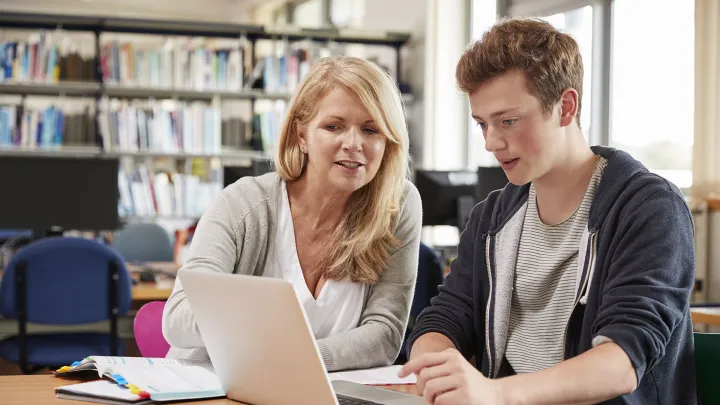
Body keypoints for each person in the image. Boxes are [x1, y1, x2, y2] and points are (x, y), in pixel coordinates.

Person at [399, 17, 697, 405]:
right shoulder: (492, 217)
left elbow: (621, 361)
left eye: (508, 120)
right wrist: (437, 366)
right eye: (482, 124)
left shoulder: (650, 210)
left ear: (566, 106)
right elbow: (444, 318)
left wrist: (494, 394)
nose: (491, 142)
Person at [162, 56, 423, 372]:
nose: (354, 144)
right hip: (213, 391)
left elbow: (384, 334)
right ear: (302, 134)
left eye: (371, 129)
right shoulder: (242, 203)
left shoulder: (399, 205)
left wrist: (301, 360)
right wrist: (267, 330)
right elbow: (178, 317)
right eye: (333, 126)